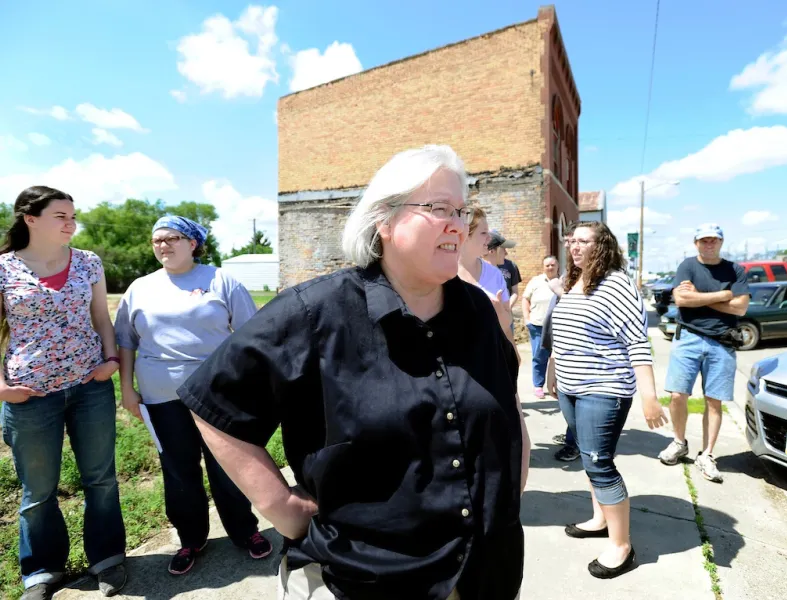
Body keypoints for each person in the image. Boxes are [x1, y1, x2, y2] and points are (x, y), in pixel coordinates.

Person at [176, 145, 529, 600]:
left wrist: (511, 487)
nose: (457, 224)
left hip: (487, 571)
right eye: (438, 208)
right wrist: (280, 505)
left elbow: (507, 401)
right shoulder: (314, 312)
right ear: (383, 219)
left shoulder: (478, 309)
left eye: (461, 211)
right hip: (365, 578)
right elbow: (212, 403)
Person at [114, 216, 273, 575]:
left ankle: (245, 532)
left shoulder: (221, 280)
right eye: (157, 240)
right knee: (178, 470)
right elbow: (126, 341)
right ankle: (190, 539)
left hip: (216, 395)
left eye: (172, 238)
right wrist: (127, 389)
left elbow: (251, 336)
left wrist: (249, 388)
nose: (163, 245)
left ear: (193, 243)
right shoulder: (140, 288)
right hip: (160, 397)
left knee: (227, 466)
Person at [0, 186, 126, 600]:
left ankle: (107, 558)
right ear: (30, 219)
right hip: (29, 397)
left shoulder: (88, 263)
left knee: (101, 479)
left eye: (73, 215)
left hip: (90, 387)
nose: (71, 223)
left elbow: (102, 319)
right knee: (38, 491)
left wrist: (110, 361)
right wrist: (1, 387)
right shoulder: (3, 269)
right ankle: (41, 571)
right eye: (60, 216)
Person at [551, 221, 667, 579]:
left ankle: (622, 546)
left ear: (603, 245)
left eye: (584, 241)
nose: (575, 246)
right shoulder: (575, 282)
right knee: (589, 457)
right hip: (571, 388)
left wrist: (649, 395)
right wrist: (555, 371)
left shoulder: (616, 283)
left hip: (604, 389)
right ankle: (600, 518)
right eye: (572, 241)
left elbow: (636, 341)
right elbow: (565, 332)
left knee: (600, 463)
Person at [659, 224, 749, 483]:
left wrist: (700, 296)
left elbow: (741, 308)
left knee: (714, 401)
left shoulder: (735, 270)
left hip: (722, 342)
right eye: (704, 240)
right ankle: (679, 441)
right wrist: (724, 295)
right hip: (688, 337)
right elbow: (682, 301)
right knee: (677, 395)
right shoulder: (687, 266)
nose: (709, 244)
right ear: (695, 243)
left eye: (713, 240)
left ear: (721, 242)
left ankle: (707, 454)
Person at [543, 225, 579, 461]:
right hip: (563, 350)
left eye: (574, 241)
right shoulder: (572, 272)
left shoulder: (596, 276)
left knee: (576, 401)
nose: (568, 246)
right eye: (566, 241)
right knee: (568, 401)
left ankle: (575, 443)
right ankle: (572, 436)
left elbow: (585, 313)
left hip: (580, 355)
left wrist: (560, 293)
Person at [458, 209, 515, 343]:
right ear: (465, 235)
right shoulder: (445, 274)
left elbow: (507, 322)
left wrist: (499, 312)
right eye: (483, 233)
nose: (489, 238)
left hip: (489, 355)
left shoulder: (494, 274)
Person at [521, 255, 559, 398]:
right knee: (539, 356)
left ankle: (557, 385)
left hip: (558, 326)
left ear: (558, 266)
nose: (550, 267)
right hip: (538, 325)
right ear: (543, 267)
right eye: (547, 265)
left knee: (558, 357)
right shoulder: (536, 281)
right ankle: (538, 385)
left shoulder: (564, 282)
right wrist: (527, 319)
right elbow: (525, 299)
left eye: (552, 265)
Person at [487, 231, 521, 305]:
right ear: (492, 251)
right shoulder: (476, 272)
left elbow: (514, 292)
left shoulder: (499, 274)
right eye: (503, 249)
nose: (506, 253)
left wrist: (506, 309)